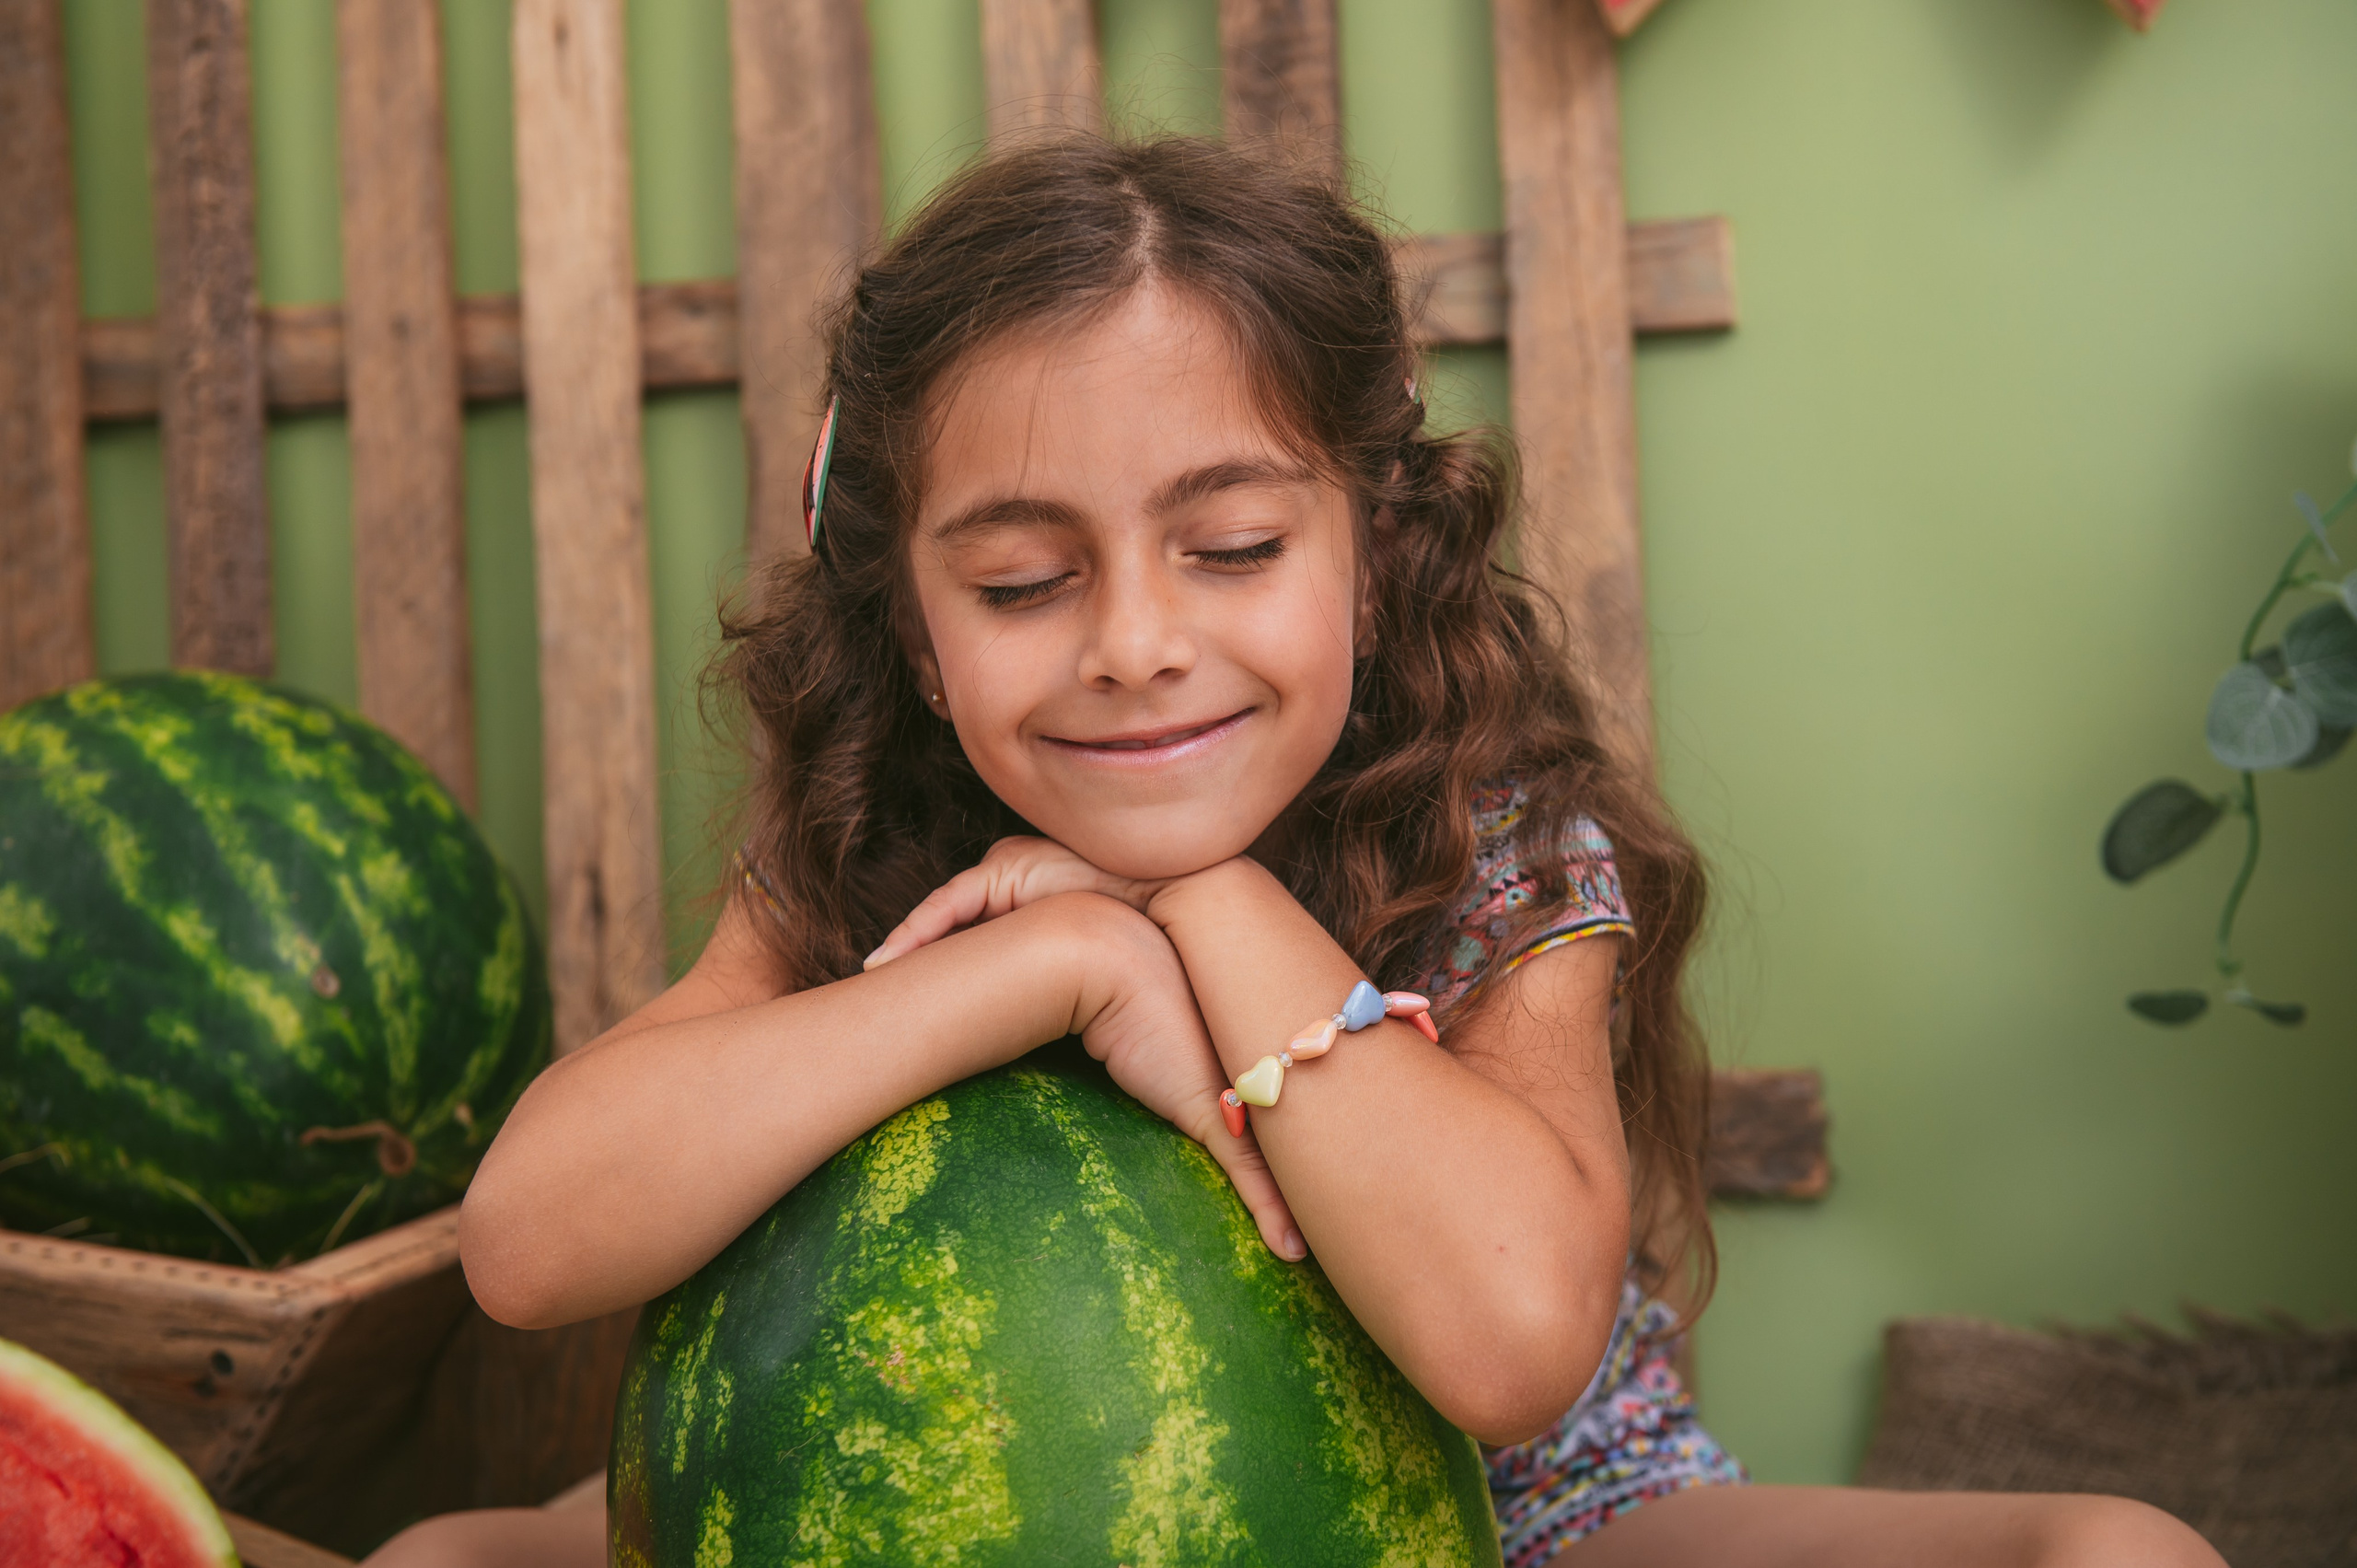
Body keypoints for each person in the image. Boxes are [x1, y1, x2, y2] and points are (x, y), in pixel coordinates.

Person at [368, 136, 2219, 1568]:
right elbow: (529, 1244)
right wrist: (1040, 968)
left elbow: (1506, 1348)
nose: (1133, 641)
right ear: (917, 634)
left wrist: (1197, 913)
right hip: (953, 1501)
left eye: (1233, 548)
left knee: (2115, 1552)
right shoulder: (888, 843)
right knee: (438, 1554)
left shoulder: (1493, 839)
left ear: (1372, 547)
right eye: (1021, 580)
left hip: (1529, 1520)